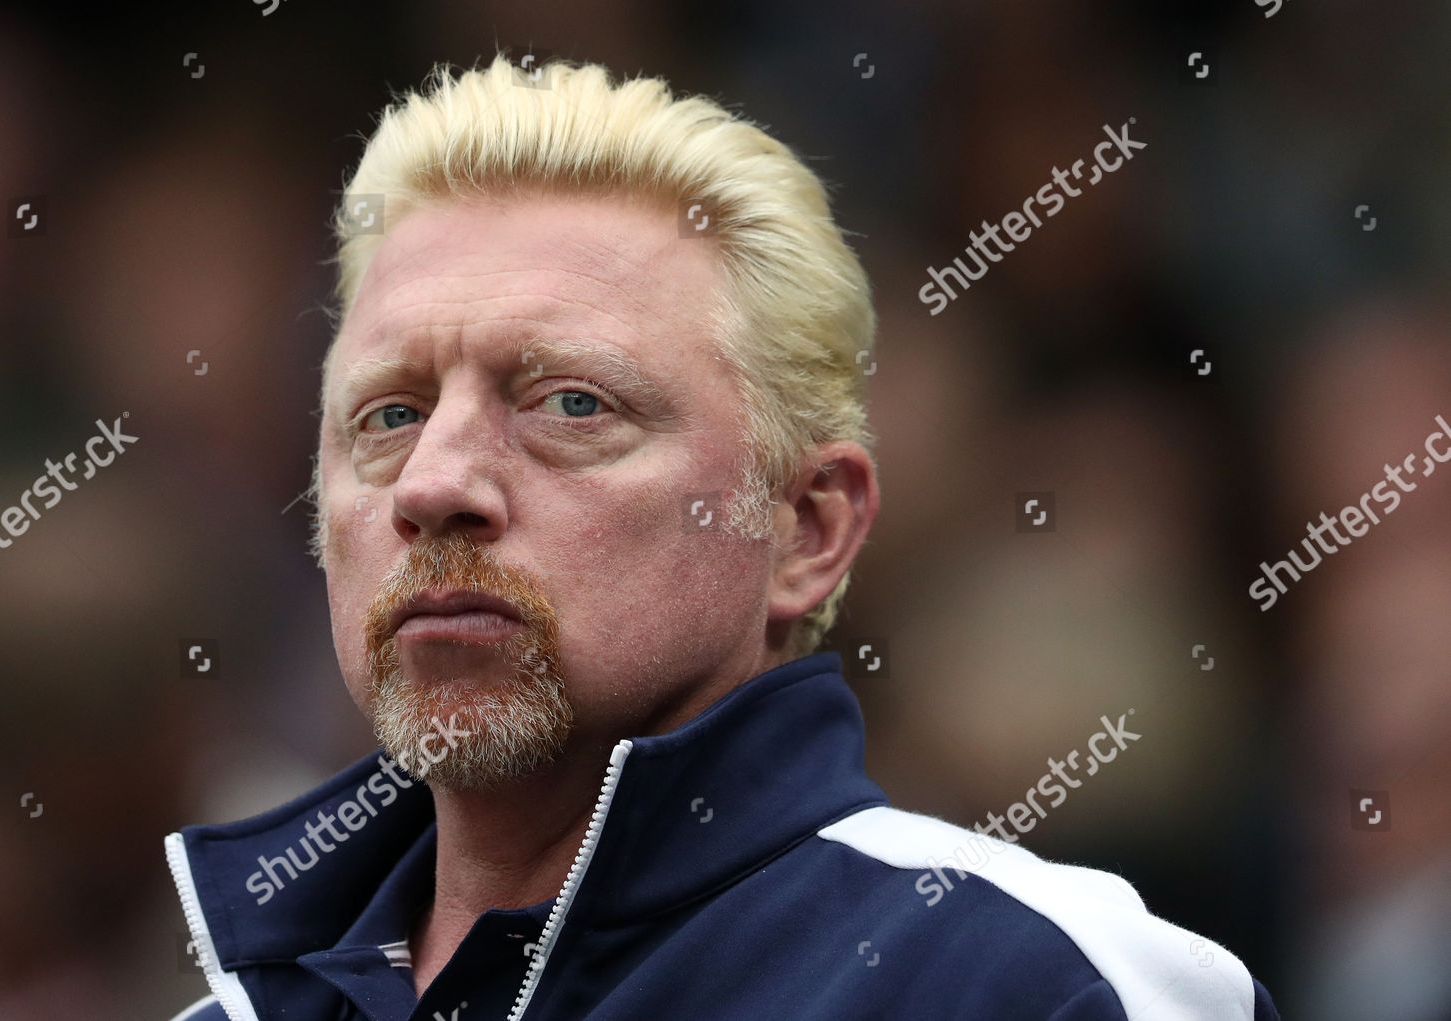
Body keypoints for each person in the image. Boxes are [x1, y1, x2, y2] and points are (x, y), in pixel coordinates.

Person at [164, 53, 1278, 1020]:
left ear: (807, 529)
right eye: (390, 416)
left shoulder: (1037, 988)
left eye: (570, 404)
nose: (436, 481)